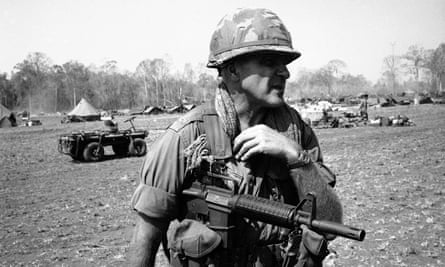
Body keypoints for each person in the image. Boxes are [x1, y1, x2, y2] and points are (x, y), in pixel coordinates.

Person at [129, 8, 343, 267]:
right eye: (268, 62)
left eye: (284, 64)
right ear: (232, 70)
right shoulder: (188, 138)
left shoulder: (295, 131)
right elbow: (146, 236)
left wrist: (297, 157)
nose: (285, 73)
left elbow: (331, 226)